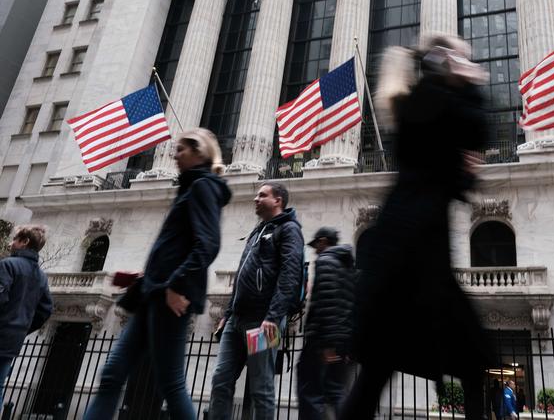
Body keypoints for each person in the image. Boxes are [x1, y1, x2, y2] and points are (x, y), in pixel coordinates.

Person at [340, 35, 493, 420]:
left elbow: (460, 167)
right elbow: (474, 131)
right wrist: (470, 85)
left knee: (383, 366)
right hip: (410, 252)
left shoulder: (432, 103)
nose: (469, 64)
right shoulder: (428, 99)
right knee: (468, 360)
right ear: (443, 62)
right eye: (462, 56)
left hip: (418, 250)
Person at [84, 128, 231, 420]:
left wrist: (176, 284)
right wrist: (146, 275)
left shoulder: (203, 187)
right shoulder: (190, 187)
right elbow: (176, 247)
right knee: (113, 374)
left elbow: (208, 245)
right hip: (154, 292)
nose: (175, 155)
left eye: (182, 150)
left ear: (200, 153)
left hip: (170, 296)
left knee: (171, 383)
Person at [209, 182, 304, 420]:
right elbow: (242, 275)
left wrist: (273, 317)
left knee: (261, 387)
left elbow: (290, 275)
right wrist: (228, 314)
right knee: (221, 380)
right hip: (236, 321)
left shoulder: (289, 229)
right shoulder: (257, 231)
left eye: (262, 195)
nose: (255, 198)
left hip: (264, 321)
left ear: (278, 200)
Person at [298, 227, 355, 420]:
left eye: (316, 245)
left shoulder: (326, 262)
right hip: (343, 340)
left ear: (323, 241)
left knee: (309, 389)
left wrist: (328, 344)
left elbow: (327, 302)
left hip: (323, 341)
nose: (315, 250)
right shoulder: (347, 267)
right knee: (336, 389)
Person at [0, 225, 52, 403]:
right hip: (13, 340)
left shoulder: (7, 265)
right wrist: (22, 327)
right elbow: (46, 310)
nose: (11, 243)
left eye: (15, 239)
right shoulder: (42, 277)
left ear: (25, 242)